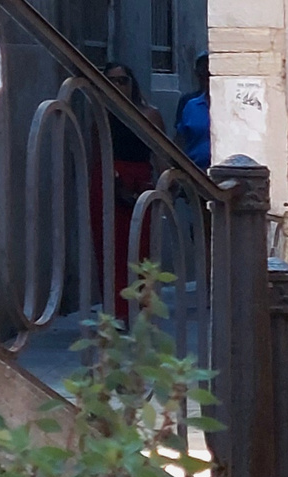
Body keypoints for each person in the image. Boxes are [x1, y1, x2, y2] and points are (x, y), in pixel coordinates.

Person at [100, 63, 163, 319]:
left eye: (122, 80)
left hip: (140, 181)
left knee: (140, 246)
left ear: (132, 83)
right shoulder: (102, 114)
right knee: (109, 246)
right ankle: (116, 311)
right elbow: (97, 150)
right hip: (107, 180)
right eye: (111, 81)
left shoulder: (149, 114)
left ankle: (142, 307)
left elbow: (160, 152)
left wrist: (167, 184)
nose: (118, 86)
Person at [174, 54, 211, 169]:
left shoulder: (232, 105)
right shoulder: (190, 104)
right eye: (202, 74)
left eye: (208, 74)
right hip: (195, 170)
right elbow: (180, 139)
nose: (205, 78)